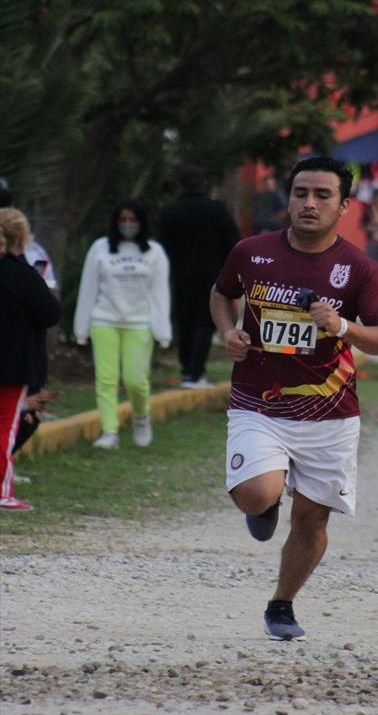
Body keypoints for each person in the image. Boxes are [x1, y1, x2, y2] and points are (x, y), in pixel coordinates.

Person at [210, 156, 378, 641]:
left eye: (322, 195)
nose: (309, 203)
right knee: (257, 493)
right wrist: (228, 331)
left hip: (330, 414)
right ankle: (262, 505)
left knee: (312, 519)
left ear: (344, 206)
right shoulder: (251, 252)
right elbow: (222, 293)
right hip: (258, 402)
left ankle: (282, 605)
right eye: (300, 193)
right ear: (288, 199)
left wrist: (343, 326)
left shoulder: (358, 268)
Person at [74, 199, 171, 450]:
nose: (128, 224)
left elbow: (160, 293)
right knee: (106, 379)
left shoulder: (154, 252)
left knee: (135, 380)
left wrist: (162, 330)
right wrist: (81, 327)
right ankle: (110, 432)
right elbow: (88, 287)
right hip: (104, 320)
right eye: (123, 220)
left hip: (139, 323)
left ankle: (141, 417)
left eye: (132, 220)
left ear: (141, 222)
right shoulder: (100, 248)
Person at [0, 208, 60, 511]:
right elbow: (50, 312)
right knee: (5, 426)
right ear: (22, 237)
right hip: (13, 365)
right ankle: (2, 492)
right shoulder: (22, 274)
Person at [158, 165, 239, 389]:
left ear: (179, 185)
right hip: (212, 276)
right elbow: (233, 242)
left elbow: (162, 246)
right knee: (205, 323)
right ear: (203, 183)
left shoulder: (170, 212)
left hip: (180, 276)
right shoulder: (217, 209)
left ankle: (187, 369)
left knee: (185, 321)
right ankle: (195, 372)